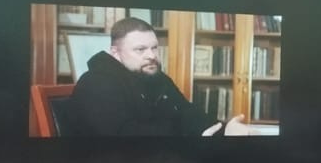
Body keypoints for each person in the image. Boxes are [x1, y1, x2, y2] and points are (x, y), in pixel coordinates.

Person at [65, 16, 250, 138]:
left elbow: (188, 113)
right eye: (140, 49)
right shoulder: (96, 83)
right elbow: (127, 137)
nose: (151, 55)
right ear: (115, 53)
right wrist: (191, 137)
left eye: (154, 48)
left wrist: (224, 130)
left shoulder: (156, 77)